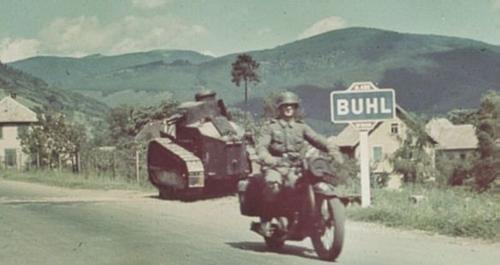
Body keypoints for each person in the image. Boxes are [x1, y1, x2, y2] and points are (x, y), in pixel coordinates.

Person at [255, 91, 344, 237]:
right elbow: (262, 147)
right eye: (285, 106)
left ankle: (306, 215)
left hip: (297, 165)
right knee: (273, 186)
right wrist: (268, 158)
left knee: (307, 182)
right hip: (276, 165)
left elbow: (317, 139)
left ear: (295, 108)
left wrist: (332, 149)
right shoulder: (271, 127)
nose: (288, 108)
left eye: (291, 106)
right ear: (280, 108)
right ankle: (266, 220)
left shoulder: (301, 127)